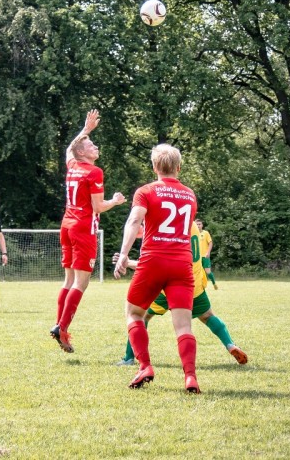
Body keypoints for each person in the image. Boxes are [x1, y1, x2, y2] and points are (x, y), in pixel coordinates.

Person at [114, 143, 199, 392]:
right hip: (182, 263)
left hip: (153, 260)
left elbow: (135, 220)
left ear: (154, 167)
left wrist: (124, 254)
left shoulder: (146, 191)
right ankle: (190, 377)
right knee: (184, 325)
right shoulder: (190, 194)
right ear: (179, 167)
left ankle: (145, 366)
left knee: (134, 313)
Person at [113, 220, 247, 366]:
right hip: (193, 283)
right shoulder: (192, 226)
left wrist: (128, 262)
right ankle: (230, 345)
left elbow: (158, 262)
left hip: (169, 285)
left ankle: (129, 357)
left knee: (140, 316)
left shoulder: (170, 229)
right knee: (208, 316)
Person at [50, 109, 126, 353]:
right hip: (83, 228)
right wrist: (115, 201)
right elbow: (98, 207)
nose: (95, 146)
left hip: (67, 224)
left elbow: (68, 150)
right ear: (82, 152)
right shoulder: (94, 172)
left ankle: (58, 324)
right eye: (91, 144)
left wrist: (86, 130)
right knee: (81, 284)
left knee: (68, 280)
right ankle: (62, 328)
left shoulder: (73, 165)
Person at [196, 218, 217, 289]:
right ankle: (200, 286)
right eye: (197, 224)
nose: (198, 225)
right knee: (197, 272)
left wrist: (208, 252)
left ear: (202, 225)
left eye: (199, 224)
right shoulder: (193, 234)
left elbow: (210, 243)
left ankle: (214, 283)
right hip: (197, 257)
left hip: (205, 256)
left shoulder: (205, 233)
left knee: (207, 271)